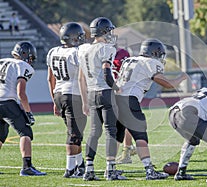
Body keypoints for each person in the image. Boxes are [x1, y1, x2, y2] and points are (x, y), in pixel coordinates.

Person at [115, 38, 187, 180]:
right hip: (129, 100)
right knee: (140, 136)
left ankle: (109, 169)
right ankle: (149, 170)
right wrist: (181, 78)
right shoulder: (151, 62)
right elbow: (167, 84)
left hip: (115, 99)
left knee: (116, 136)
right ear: (155, 52)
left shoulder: (129, 60)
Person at [78, 17, 126, 181]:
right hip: (105, 92)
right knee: (110, 131)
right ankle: (110, 170)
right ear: (104, 31)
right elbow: (107, 74)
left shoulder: (83, 49)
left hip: (91, 93)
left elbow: (81, 78)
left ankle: (89, 169)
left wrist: (84, 101)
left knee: (93, 132)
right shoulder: (107, 48)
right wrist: (117, 88)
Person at [0, 41, 46, 176]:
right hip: (7, 102)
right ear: (25, 54)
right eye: (31, 58)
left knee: (1, 135)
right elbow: (21, 93)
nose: (31, 61)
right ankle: (27, 167)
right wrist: (28, 112)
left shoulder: (2, 61)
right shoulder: (22, 65)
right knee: (25, 132)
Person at [47, 22, 87, 178]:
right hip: (73, 94)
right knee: (74, 134)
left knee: (75, 132)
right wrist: (86, 99)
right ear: (74, 37)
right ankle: (70, 168)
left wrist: (54, 101)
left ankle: (79, 164)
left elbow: (50, 79)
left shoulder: (53, 51)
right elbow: (81, 78)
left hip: (59, 94)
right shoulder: (77, 53)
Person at [112, 48, 137, 164]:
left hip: (121, 90)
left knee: (122, 123)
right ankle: (128, 148)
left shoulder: (120, 53)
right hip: (119, 90)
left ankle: (126, 152)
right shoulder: (119, 52)